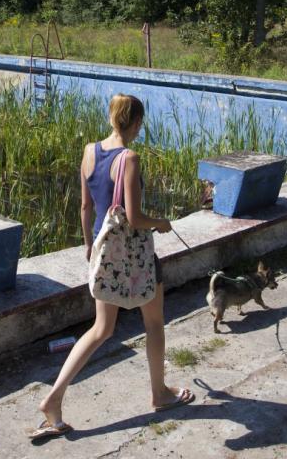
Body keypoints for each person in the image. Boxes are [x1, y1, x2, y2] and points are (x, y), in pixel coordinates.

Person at [30, 93, 195, 442]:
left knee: (101, 329)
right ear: (136, 123)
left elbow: (85, 206)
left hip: (104, 252)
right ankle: (159, 393)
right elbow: (134, 218)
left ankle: (54, 397)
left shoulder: (89, 151)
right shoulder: (129, 158)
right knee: (154, 324)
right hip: (135, 257)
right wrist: (161, 222)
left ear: (110, 117)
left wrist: (90, 246)